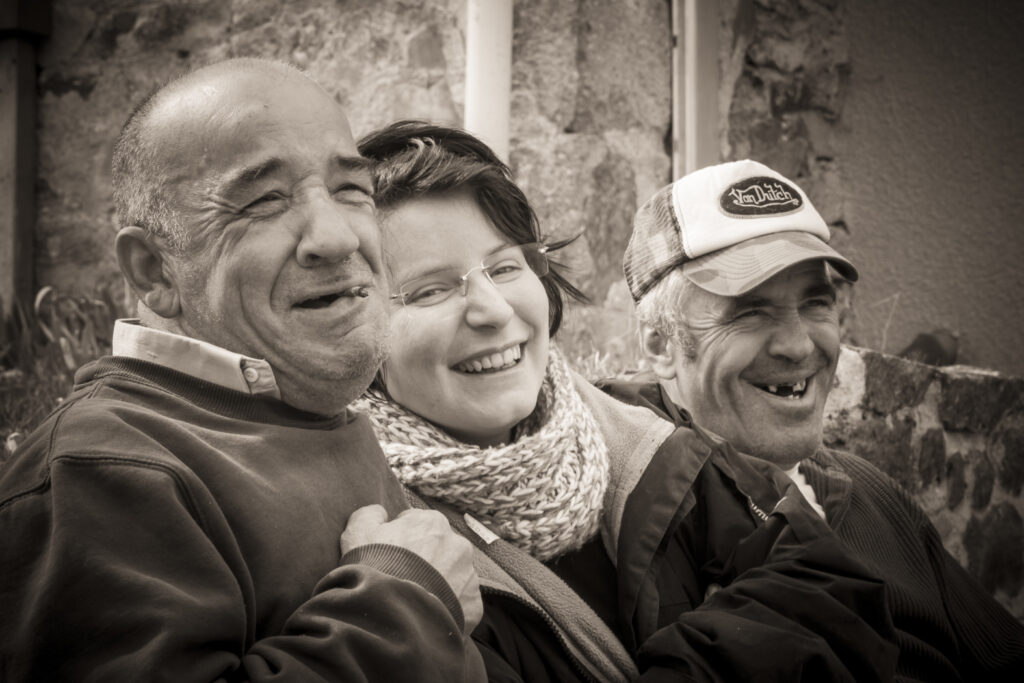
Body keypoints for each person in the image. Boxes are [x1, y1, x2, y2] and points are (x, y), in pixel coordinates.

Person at [354, 120, 899, 682]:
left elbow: (830, 595)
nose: (492, 308)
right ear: (357, 332)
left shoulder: (650, 451)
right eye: (430, 290)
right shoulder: (381, 552)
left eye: (505, 266)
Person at [0, 59, 485, 682]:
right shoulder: (102, 469)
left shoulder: (304, 410)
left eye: (350, 190)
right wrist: (406, 604)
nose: (337, 238)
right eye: (264, 201)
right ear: (154, 271)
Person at [618, 159, 1024, 681]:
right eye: (749, 311)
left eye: (816, 303)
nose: (799, 345)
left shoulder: (870, 492)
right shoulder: (631, 531)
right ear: (660, 344)